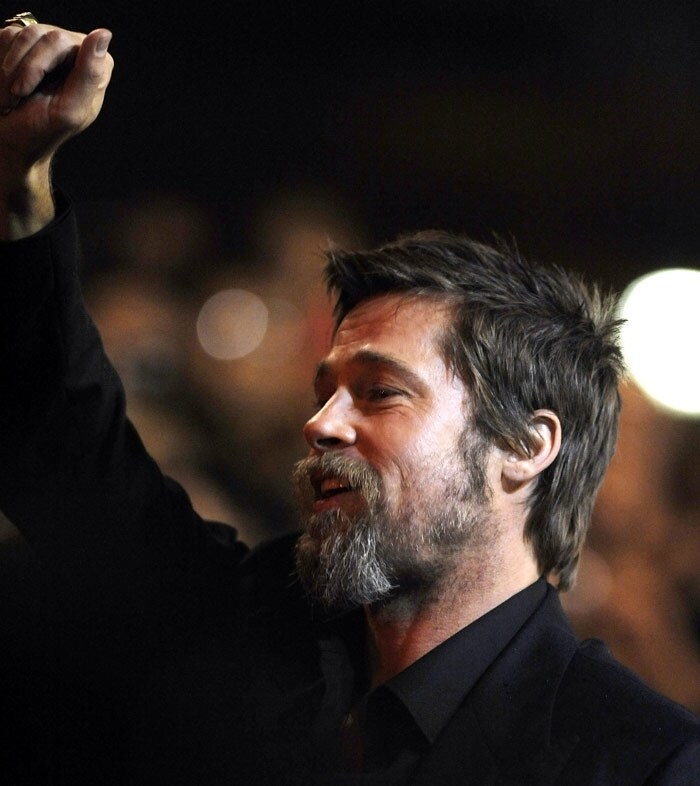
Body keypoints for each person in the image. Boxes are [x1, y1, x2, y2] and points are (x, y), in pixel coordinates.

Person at [1, 17, 699, 786]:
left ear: (525, 446)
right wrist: (19, 188)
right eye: (326, 390)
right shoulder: (252, 633)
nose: (321, 423)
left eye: (380, 393)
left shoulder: (641, 761)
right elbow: (67, 460)